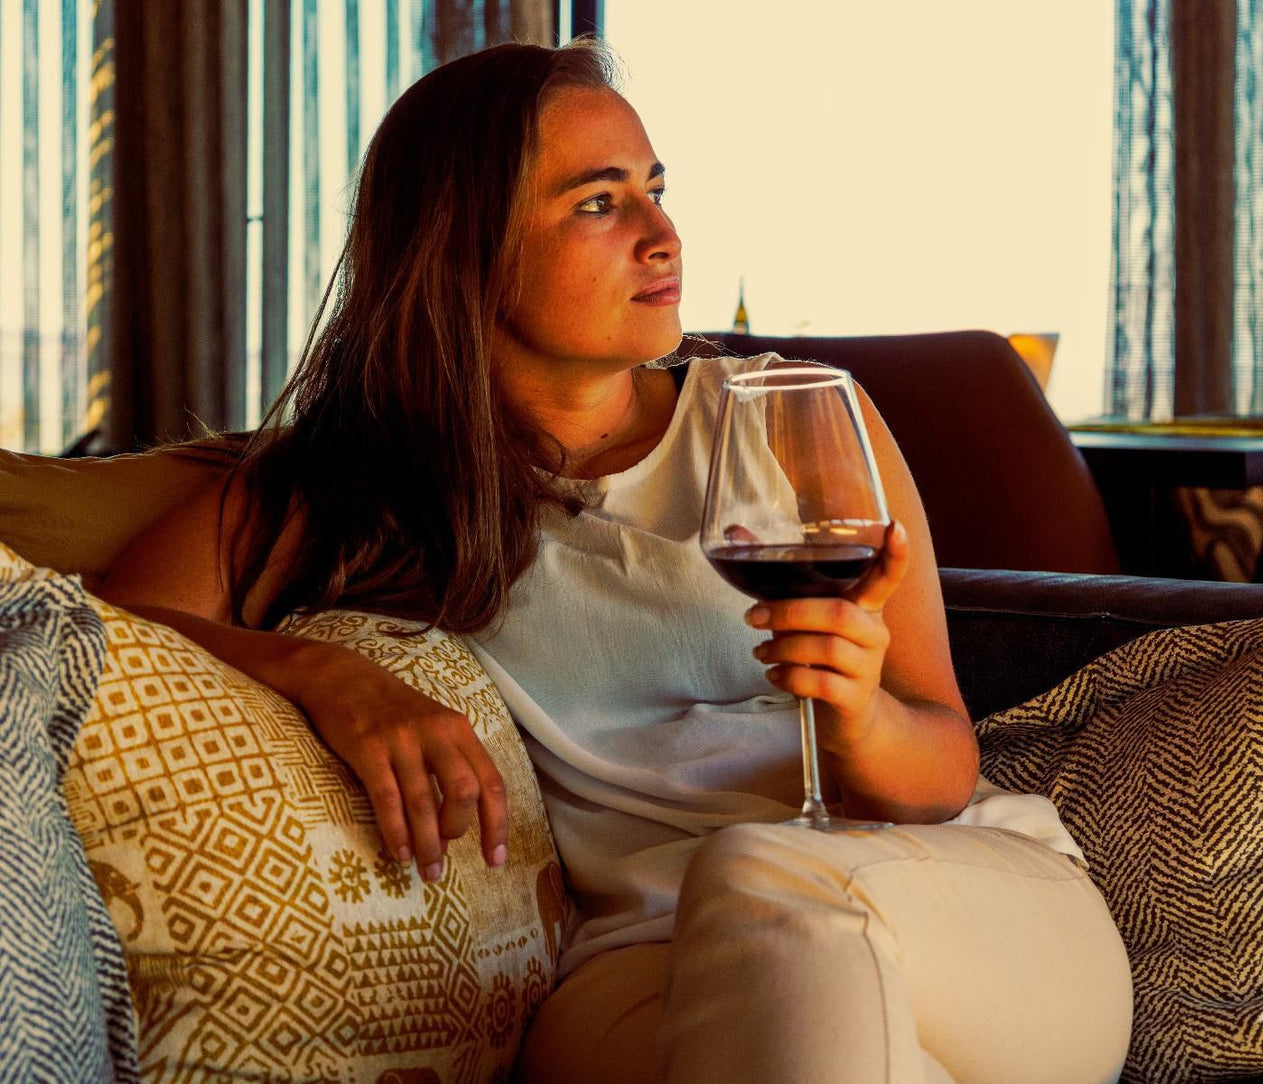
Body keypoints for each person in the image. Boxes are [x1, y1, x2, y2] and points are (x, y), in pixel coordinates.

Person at [98, 39, 1133, 1083]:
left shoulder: (789, 422)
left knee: (765, 878)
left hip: (956, 914)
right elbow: (92, 630)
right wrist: (322, 673)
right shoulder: (356, 492)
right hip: (643, 962)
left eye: (654, 189)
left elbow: (938, 765)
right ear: (466, 248)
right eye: (599, 203)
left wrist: (855, 709)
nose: (661, 234)